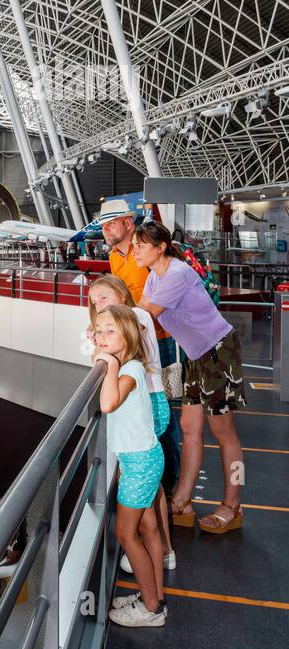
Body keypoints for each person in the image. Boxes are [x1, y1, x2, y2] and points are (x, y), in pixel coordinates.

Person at [133, 221, 247, 534]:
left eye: (141, 245)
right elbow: (139, 310)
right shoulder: (154, 275)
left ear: (160, 248)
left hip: (218, 350)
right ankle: (182, 501)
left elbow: (146, 315)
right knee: (189, 427)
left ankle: (233, 505)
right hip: (196, 356)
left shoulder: (177, 273)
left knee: (224, 432)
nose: (136, 250)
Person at [86, 275, 175, 570]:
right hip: (146, 400)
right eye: (94, 300)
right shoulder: (126, 322)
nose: (99, 305)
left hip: (149, 400)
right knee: (151, 483)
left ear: (123, 296)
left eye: (105, 298)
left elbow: (108, 388)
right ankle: (159, 547)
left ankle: (160, 548)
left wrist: (103, 342)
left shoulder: (134, 317)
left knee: (152, 485)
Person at [95, 199, 183, 490]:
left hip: (164, 343)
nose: (106, 229)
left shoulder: (142, 253)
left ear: (128, 223)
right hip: (136, 344)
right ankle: (155, 481)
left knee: (164, 412)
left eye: (111, 223)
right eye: (104, 224)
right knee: (143, 408)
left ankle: (169, 481)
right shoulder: (115, 258)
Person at [94, 304, 167, 627]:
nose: (101, 336)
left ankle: (151, 609)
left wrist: (108, 365)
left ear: (128, 335)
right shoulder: (128, 365)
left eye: (110, 331)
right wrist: (109, 360)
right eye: (98, 330)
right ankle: (153, 596)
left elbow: (108, 403)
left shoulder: (131, 369)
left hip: (140, 463)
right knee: (144, 528)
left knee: (126, 534)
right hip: (139, 459)